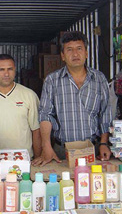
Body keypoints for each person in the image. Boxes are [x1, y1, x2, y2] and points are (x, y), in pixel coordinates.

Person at [32, 31, 112, 166]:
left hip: (93, 149)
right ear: (63, 56)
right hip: (62, 150)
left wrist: (104, 143)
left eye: (79, 49)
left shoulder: (99, 79)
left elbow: (105, 113)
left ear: (86, 53)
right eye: (69, 50)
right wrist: (47, 146)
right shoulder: (52, 80)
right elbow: (45, 115)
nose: (75, 54)